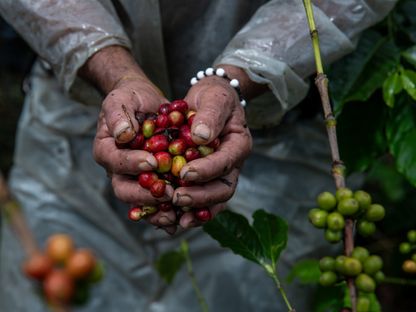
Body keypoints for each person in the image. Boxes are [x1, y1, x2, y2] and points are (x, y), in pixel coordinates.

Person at [0, 1, 396, 311]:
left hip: (278, 133)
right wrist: (115, 72)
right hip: (74, 119)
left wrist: (240, 75)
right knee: (46, 289)